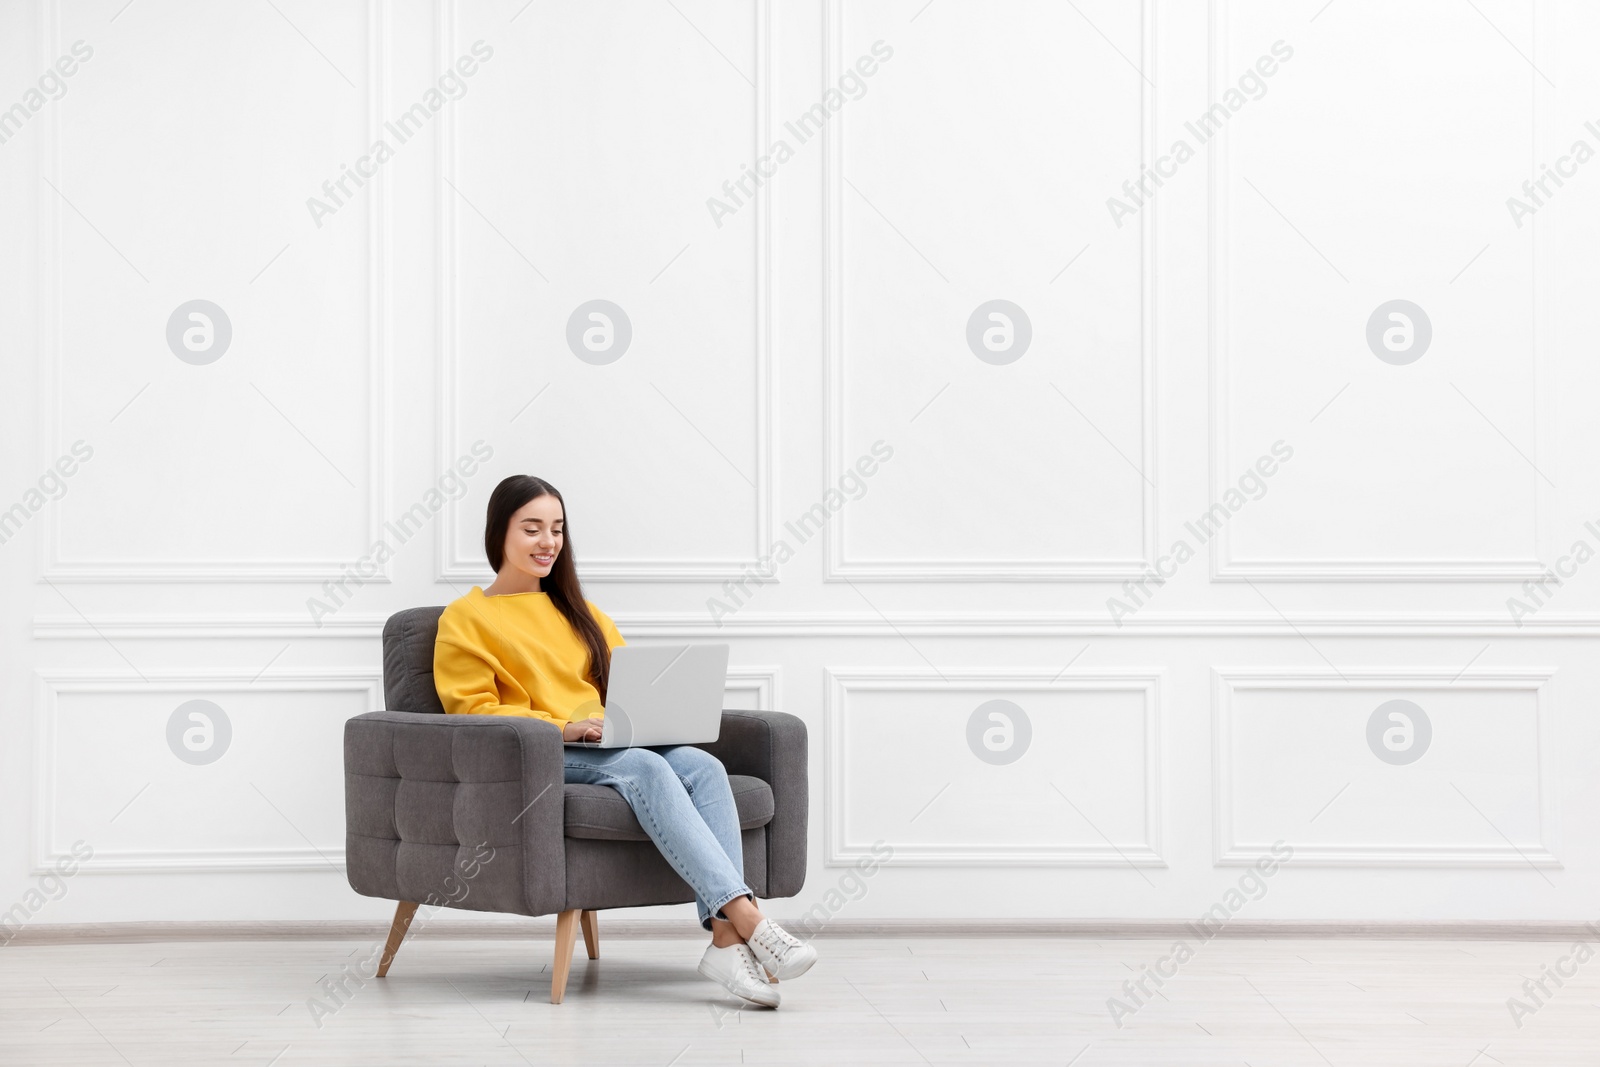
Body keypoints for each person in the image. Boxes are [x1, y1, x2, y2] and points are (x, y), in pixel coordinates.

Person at [432, 474, 816, 1007]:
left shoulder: (581, 612)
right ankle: (748, 918)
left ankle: (726, 939)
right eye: (532, 529)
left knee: (703, 767)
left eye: (558, 530)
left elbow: (626, 684)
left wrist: (649, 713)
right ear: (499, 533)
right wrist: (565, 728)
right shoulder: (465, 619)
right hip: (545, 753)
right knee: (647, 769)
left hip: (610, 740)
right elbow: (475, 714)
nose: (548, 542)